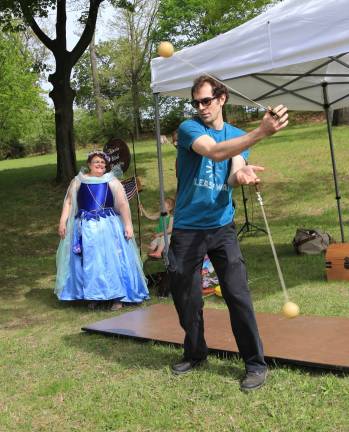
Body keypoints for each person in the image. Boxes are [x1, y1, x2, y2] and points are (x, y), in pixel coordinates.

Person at [168, 75, 288, 391]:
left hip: (222, 227)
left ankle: (255, 364)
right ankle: (195, 353)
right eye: (196, 102)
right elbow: (215, 152)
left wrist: (243, 174)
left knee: (237, 294)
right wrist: (261, 132)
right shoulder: (189, 128)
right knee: (187, 298)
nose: (200, 107)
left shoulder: (237, 135)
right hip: (187, 229)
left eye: (206, 100)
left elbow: (233, 170)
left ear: (222, 98)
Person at [55, 150, 149, 311]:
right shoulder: (78, 181)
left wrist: (128, 225)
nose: (99, 165)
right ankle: (94, 295)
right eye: (96, 162)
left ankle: (117, 297)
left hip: (107, 226)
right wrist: (63, 221)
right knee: (90, 261)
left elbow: (122, 204)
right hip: (85, 227)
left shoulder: (112, 181)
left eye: (102, 162)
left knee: (110, 260)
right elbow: (69, 202)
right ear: (89, 164)